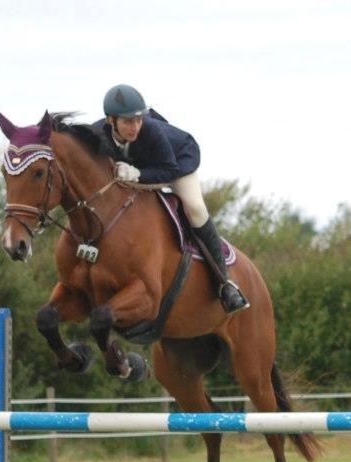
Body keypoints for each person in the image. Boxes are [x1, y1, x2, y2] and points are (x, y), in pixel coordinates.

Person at [96, 84, 249, 315]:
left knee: (195, 208)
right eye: (128, 121)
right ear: (111, 120)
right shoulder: (98, 132)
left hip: (176, 163)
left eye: (139, 119)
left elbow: (168, 170)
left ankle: (225, 284)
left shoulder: (151, 131)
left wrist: (139, 175)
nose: (135, 126)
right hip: (141, 168)